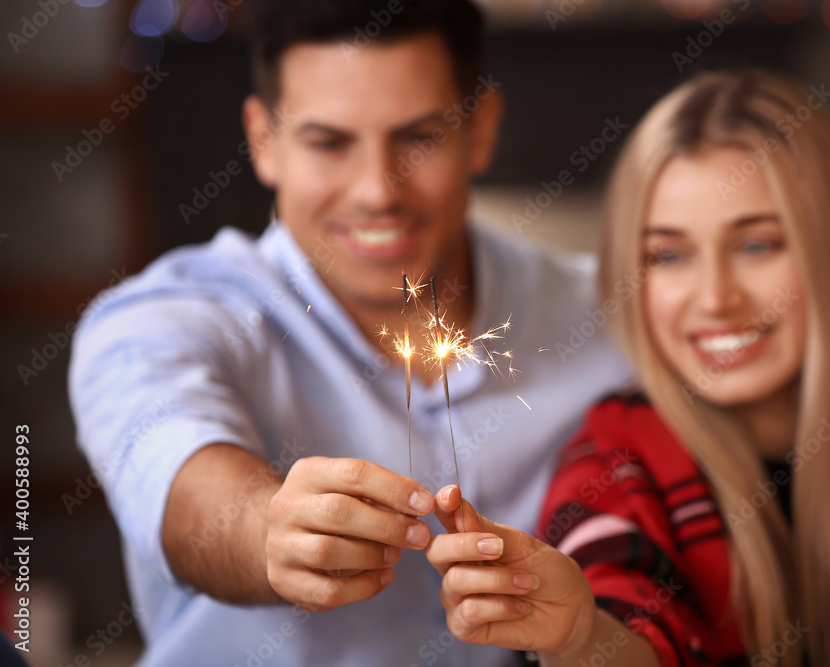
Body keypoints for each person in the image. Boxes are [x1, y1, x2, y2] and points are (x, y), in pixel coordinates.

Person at [67, 1, 631, 665]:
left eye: (418, 136)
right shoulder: (160, 321)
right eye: (329, 142)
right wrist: (266, 527)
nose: (376, 192)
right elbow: (175, 472)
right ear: (263, 139)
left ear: (481, 129)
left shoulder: (615, 318)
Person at [426, 70, 830, 667]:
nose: (715, 298)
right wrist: (582, 639)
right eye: (668, 255)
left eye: (756, 245)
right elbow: (626, 622)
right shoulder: (612, 461)